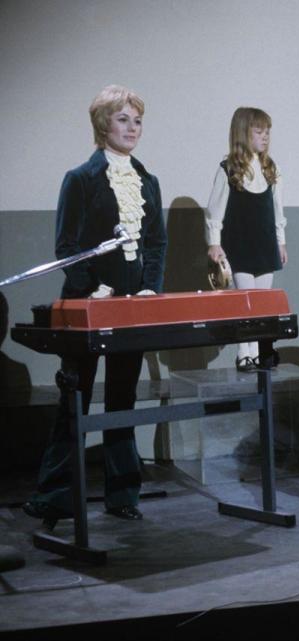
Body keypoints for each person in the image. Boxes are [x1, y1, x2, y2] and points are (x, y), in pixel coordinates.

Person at [23, 85, 167, 523]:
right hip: (86, 306)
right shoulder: (80, 179)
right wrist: (90, 291)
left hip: (131, 307)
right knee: (77, 401)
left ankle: (124, 494)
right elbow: (68, 246)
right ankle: (55, 496)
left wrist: (149, 290)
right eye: (123, 119)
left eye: (137, 120)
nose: (132, 128)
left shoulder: (148, 181)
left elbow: (156, 243)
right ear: (104, 125)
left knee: (123, 399)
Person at [205, 107, 287, 371]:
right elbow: (215, 210)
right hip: (240, 243)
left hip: (265, 244)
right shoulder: (228, 169)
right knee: (245, 299)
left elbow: (277, 210)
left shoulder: (270, 169)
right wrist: (214, 242)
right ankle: (245, 353)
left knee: (263, 302)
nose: (265, 137)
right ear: (243, 132)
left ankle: (262, 350)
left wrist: (281, 241)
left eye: (267, 132)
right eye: (259, 131)